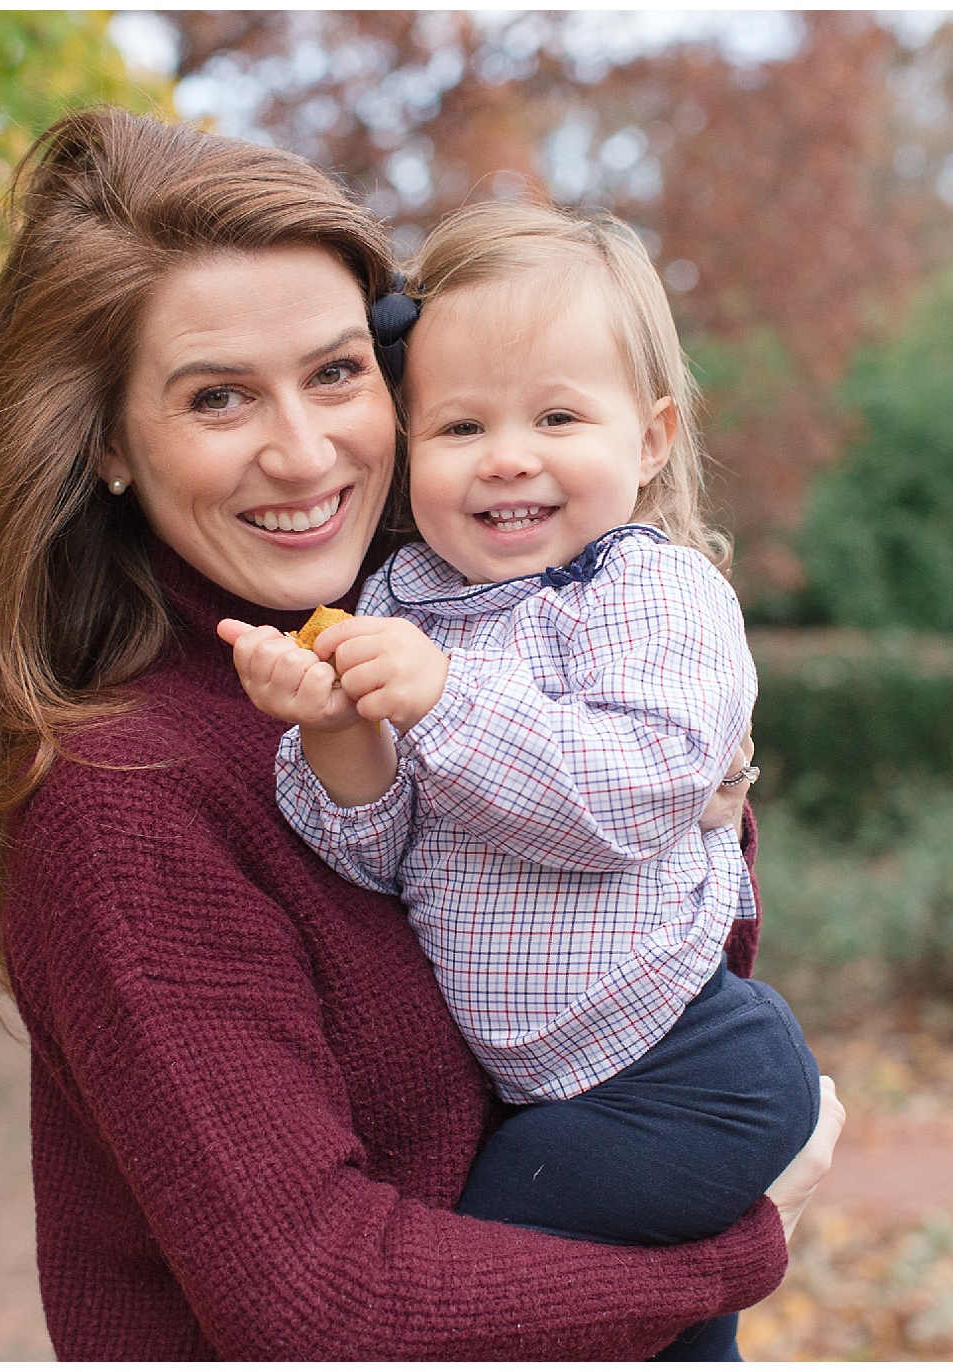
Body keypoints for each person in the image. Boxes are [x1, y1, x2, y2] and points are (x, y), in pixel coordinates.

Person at [0, 107, 844, 1360]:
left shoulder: (431, 611)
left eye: (337, 373)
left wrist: (693, 783)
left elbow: (659, 919)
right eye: (218, 397)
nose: (303, 453)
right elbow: (319, 1306)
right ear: (109, 447)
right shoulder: (123, 801)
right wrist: (734, 1252)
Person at [221, 200, 821, 1361]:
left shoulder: (654, 595)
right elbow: (375, 860)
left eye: (555, 415)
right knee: (664, 1342)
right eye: (457, 425)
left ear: (649, 438)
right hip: (547, 1082)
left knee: (493, 1290)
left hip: (686, 1063)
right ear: (405, 443)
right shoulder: (396, 602)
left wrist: (442, 699)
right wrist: (340, 731)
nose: (506, 454)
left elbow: (634, 793)